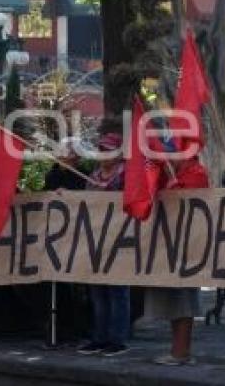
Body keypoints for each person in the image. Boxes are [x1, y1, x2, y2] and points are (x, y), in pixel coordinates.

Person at [145, 147, 208, 366]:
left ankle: (182, 352)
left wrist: (174, 187)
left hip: (187, 248)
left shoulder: (196, 172)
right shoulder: (167, 170)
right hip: (166, 246)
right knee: (173, 300)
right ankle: (176, 350)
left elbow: (192, 202)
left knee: (184, 300)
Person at [77, 132, 130, 357]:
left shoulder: (125, 175)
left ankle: (117, 339)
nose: (104, 154)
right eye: (102, 149)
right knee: (97, 291)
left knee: (117, 290)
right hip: (96, 239)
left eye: (108, 149)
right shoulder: (93, 176)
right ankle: (99, 337)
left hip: (119, 239)